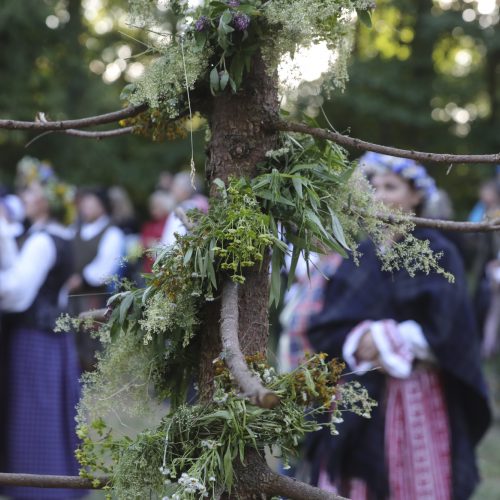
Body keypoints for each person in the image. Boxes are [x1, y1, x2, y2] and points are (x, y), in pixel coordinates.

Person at [305, 153, 491, 500]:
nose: (380, 195)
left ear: (416, 195)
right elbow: (328, 323)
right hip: (357, 393)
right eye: (374, 187)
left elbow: (450, 326)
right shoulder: (358, 255)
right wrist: (360, 339)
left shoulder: (437, 252)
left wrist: (389, 338)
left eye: (390, 186)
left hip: (417, 394)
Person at [0, 161, 82, 499]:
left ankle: (38, 489)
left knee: (35, 413)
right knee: (48, 411)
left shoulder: (43, 242)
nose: (25, 195)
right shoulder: (47, 236)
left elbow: (17, 294)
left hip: (35, 337)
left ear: (46, 201)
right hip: (50, 338)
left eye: (31, 191)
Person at [66, 187, 125, 371]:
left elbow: (105, 267)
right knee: (71, 338)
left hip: (94, 296)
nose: (86, 208)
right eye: (84, 204)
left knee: (93, 344)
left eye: (91, 204)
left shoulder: (112, 233)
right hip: (70, 295)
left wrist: (81, 279)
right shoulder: (74, 230)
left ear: (103, 207)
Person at [140, 190, 175, 273]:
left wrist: (154, 244)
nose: (154, 210)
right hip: (149, 270)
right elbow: (141, 245)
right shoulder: (148, 225)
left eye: (158, 206)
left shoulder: (170, 222)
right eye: (152, 206)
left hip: (165, 270)